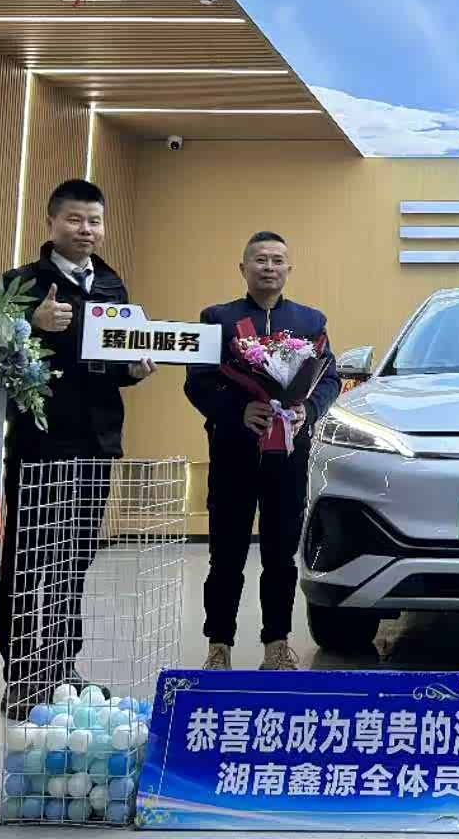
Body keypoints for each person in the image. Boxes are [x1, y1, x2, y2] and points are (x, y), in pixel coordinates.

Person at [0, 178, 158, 714]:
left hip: (97, 441)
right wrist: (31, 324)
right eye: (74, 219)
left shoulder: (111, 285)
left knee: (75, 557)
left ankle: (63, 666)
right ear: (51, 222)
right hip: (39, 441)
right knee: (28, 558)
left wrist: (135, 369)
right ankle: (22, 675)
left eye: (94, 221)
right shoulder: (20, 283)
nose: (85, 230)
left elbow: (115, 362)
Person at [185, 231, 341, 671]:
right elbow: (197, 382)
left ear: (289, 268)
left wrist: (308, 410)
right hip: (233, 454)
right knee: (226, 555)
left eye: (276, 260)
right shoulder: (219, 319)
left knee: (280, 555)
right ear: (243, 268)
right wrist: (238, 412)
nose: (268, 267)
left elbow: (330, 378)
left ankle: (276, 643)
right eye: (260, 260)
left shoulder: (310, 321)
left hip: (287, 457)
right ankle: (219, 645)